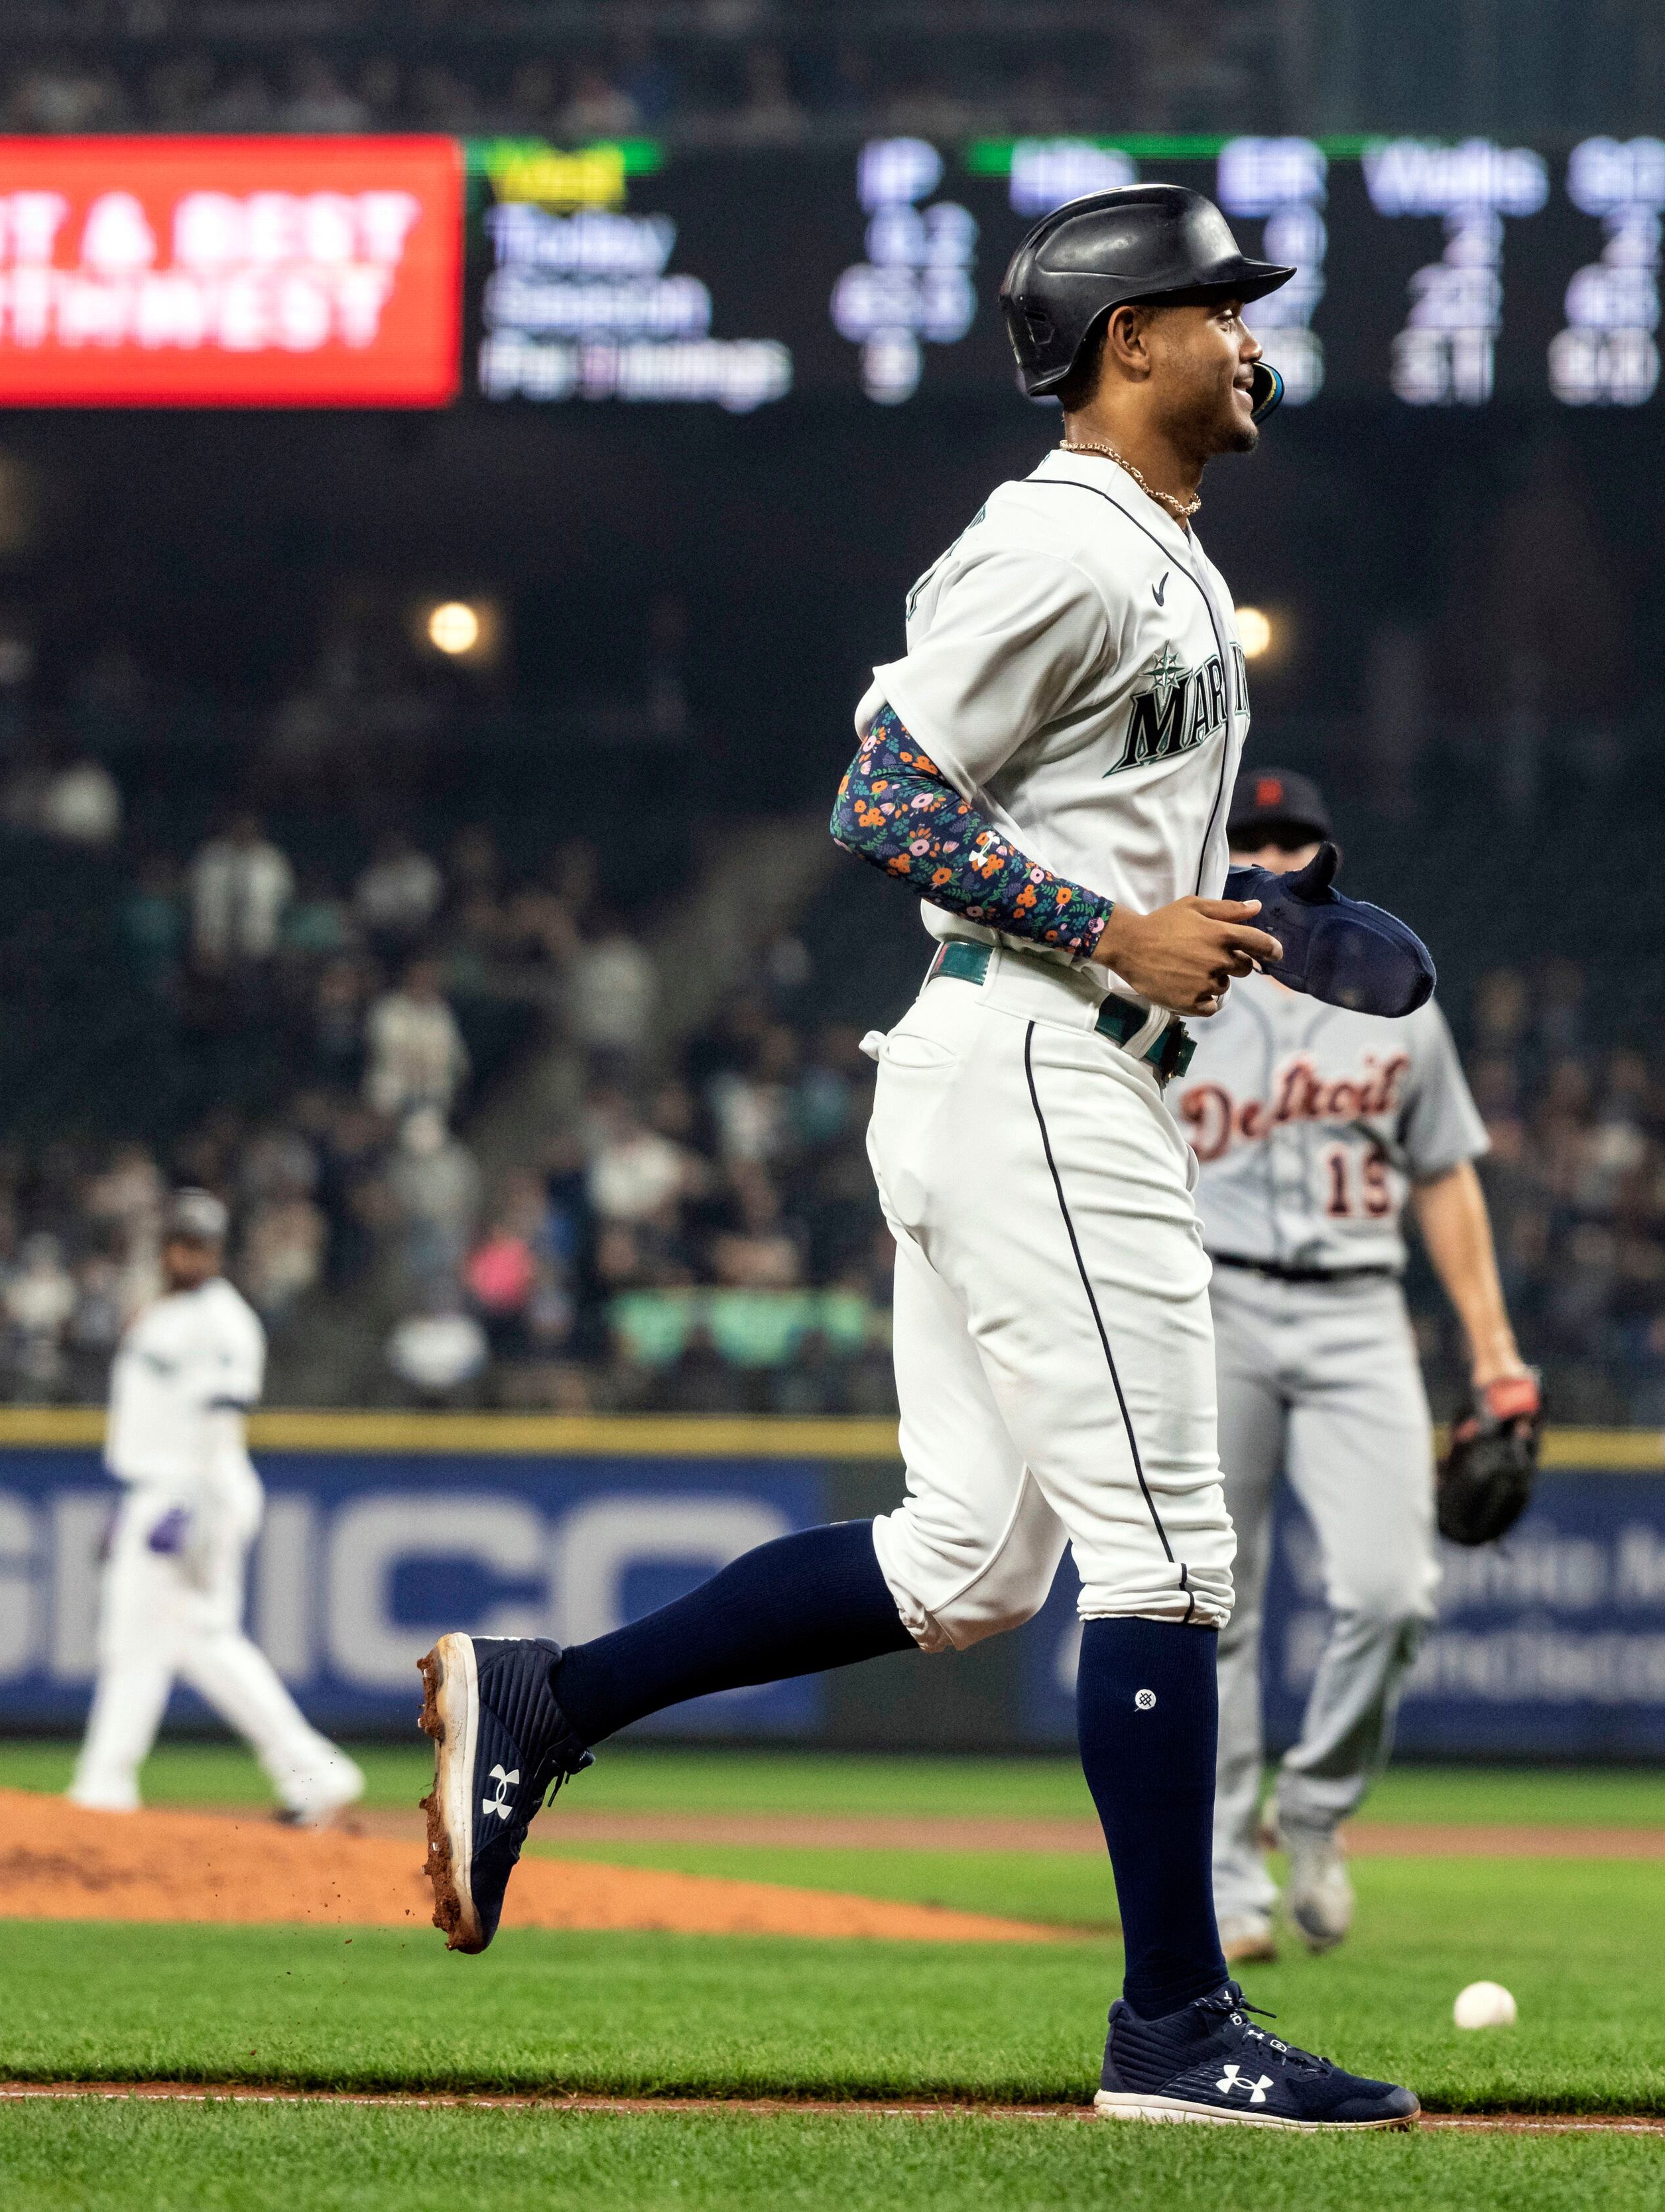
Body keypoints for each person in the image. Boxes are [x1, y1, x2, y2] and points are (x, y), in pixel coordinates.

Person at [414, 184, 1420, 2131]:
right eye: (1219, 306)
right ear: (1132, 340)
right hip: (1040, 1060)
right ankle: (1176, 2029)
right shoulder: (1061, 541)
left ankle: (545, 1698)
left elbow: (1086, 832)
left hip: (1030, 1057)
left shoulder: (1157, 553)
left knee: (963, 1561)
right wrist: (1114, 931)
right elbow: (882, 789)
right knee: (1168, 1558)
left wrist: (1216, 920)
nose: (1247, 336)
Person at [1180, 766, 1533, 1961]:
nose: (1273, 856)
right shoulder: (1178, 983)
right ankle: (1228, 1880)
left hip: (1358, 1312)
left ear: (1326, 859)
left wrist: (1497, 1356)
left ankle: (1317, 1810)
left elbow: (1444, 1173)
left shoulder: (1393, 996)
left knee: (1394, 1592)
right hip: (1211, 1304)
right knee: (1208, 1607)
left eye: (1296, 840)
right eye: (1254, 837)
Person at [68, 1190, 363, 1826]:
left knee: (140, 1639)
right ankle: (314, 1773)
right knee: (196, 1642)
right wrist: (137, 1504)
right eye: (179, 1241)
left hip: (198, 1490)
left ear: (217, 1249)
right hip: (159, 1489)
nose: (187, 1252)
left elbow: (220, 1421)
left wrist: (187, 1506)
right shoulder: (160, 1313)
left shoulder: (223, 1321)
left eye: (200, 1242)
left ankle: (103, 1786)